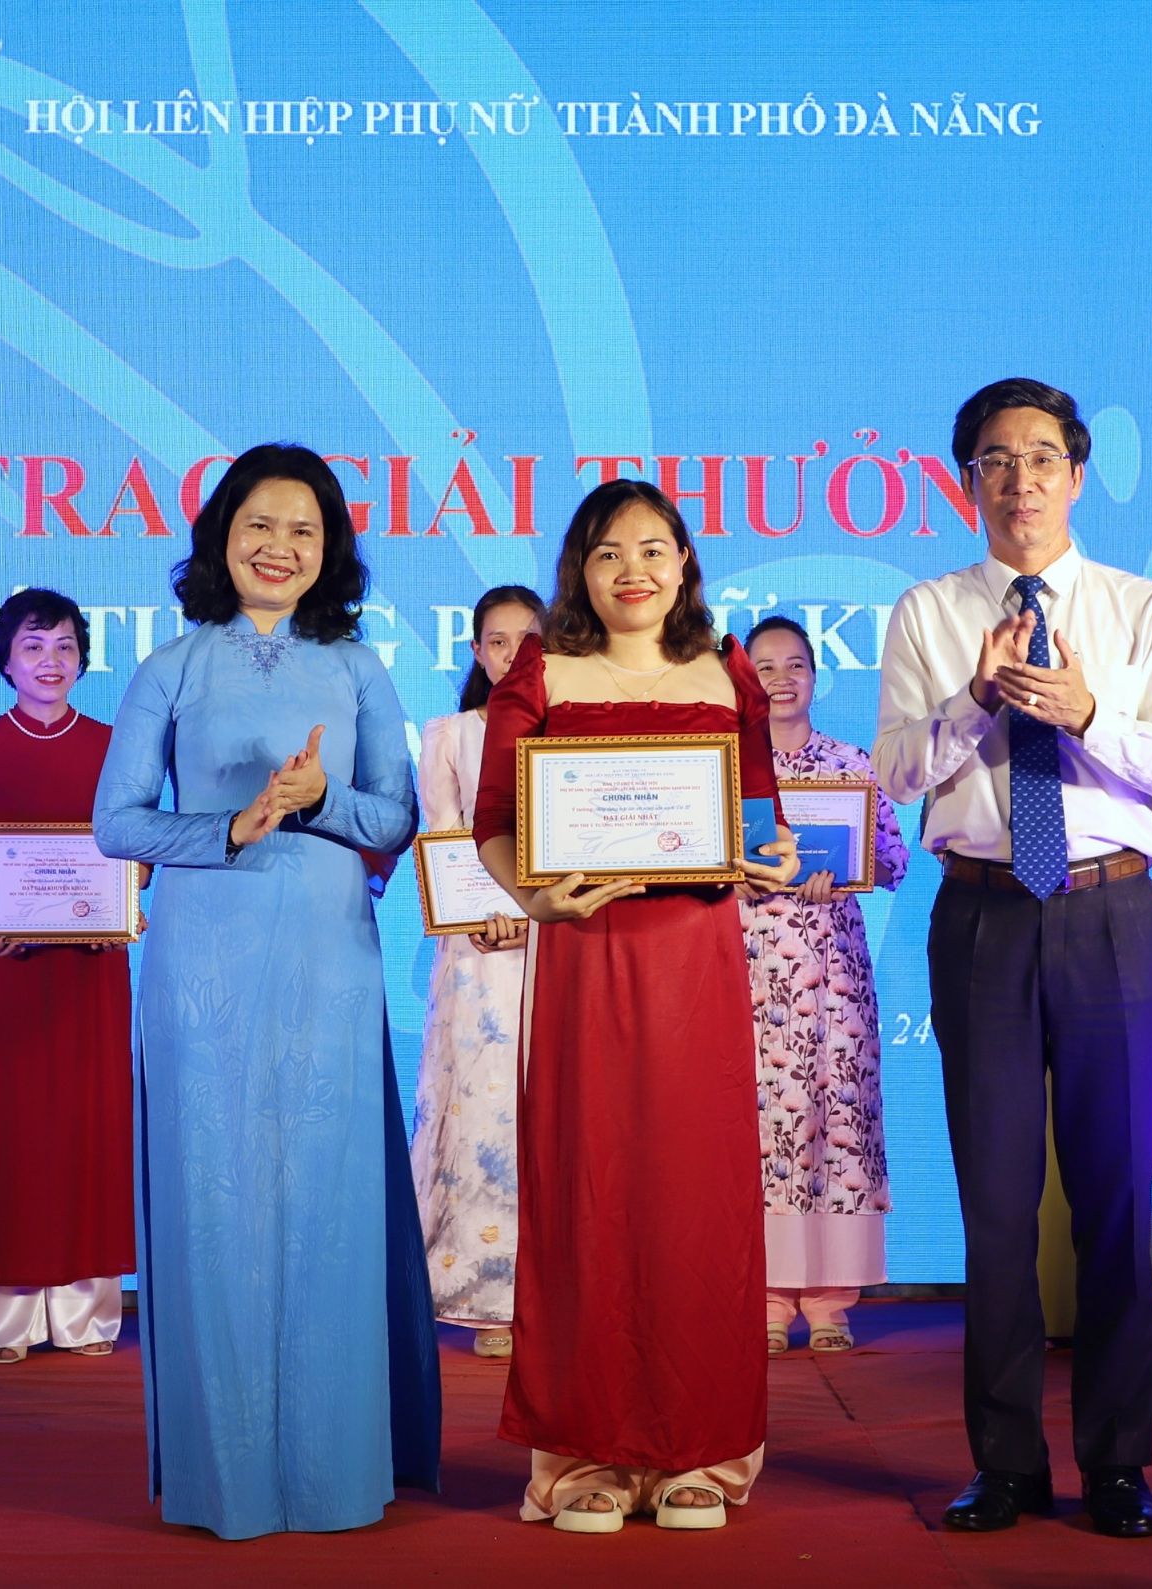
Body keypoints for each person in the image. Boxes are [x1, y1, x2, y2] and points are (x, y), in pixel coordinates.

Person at [874, 378, 1152, 1538]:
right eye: (992, 461)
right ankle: (1005, 1462)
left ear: (1077, 474)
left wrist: (1082, 713)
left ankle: (1118, 1463)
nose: (1016, 481)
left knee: (1116, 1193)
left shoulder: (1140, 607)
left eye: (1038, 458)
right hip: (978, 915)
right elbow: (895, 774)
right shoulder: (927, 610)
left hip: (1108, 914)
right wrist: (973, 701)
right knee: (993, 1206)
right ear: (964, 481)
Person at [93, 443, 439, 1539]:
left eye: (303, 529)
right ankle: (227, 1478)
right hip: (201, 958)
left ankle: (333, 1470)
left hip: (327, 955)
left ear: (328, 548)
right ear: (219, 536)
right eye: (257, 524)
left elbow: (396, 817)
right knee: (215, 1197)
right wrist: (231, 825)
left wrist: (321, 795)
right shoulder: (170, 667)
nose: (278, 547)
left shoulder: (355, 668)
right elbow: (116, 822)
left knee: (327, 1197)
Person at [473, 479, 799, 1534]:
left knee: (691, 1195)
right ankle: (584, 1456)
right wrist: (533, 892)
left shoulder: (724, 668)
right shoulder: (543, 670)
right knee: (587, 1188)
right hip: (582, 957)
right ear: (580, 567)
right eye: (609, 551)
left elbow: (760, 817)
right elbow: (493, 818)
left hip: (694, 962)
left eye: (654, 548)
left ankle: (696, 1449)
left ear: (684, 565)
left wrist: (773, 849)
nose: (633, 570)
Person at [0, 588, 136, 1364]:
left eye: (65, 646)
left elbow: (137, 847)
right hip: (6, 967)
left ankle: (85, 1315)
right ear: (5, 660)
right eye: (34, 646)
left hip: (92, 968)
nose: (51, 662)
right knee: (8, 1129)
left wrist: (128, 894)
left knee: (90, 1123)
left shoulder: (117, 744)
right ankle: (0, 1319)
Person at [739, 616, 908, 1355]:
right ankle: (768, 1299)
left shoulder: (848, 762)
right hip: (749, 974)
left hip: (833, 974)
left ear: (816, 676)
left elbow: (894, 859)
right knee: (762, 1134)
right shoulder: (727, 770)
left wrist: (844, 867)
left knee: (835, 1130)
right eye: (765, 666)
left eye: (796, 664)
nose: (781, 678)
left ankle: (832, 1302)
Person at [410, 585, 544, 1361]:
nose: (514, 655)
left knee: (553, 1106)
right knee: (486, 1110)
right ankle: (488, 1297)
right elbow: (444, 840)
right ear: (476, 651)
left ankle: (557, 1295)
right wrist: (484, 916)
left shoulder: (573, 731)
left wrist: (536, 912)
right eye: (498, 642)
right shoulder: (452, 734)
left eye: (530, 640)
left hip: (558, 941)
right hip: (478, 951)